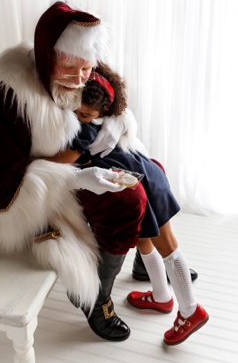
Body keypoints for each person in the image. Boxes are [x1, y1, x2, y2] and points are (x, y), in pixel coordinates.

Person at [0, 1, 151, 342]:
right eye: (69, 68)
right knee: (130, 198)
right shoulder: (6, 99)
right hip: (31, 192)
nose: (79, 80)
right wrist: (77, 178)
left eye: (86, 71)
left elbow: (107, 96)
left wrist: (115, 120)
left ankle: (146, 256)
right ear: (47, 54)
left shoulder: (78, 74)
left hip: (75, 159)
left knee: (149, 170)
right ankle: (99, 298)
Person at [68, 70, 209, 345]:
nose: (78, 117)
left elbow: (66, 157)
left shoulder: (85, 128)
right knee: (144, 239)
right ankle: (160, 296)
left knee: (167, 244)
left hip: (141, 178)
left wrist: (38, 161)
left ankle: (191, 310)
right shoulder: (108, 118)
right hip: (143, 172)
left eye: (84, 114)